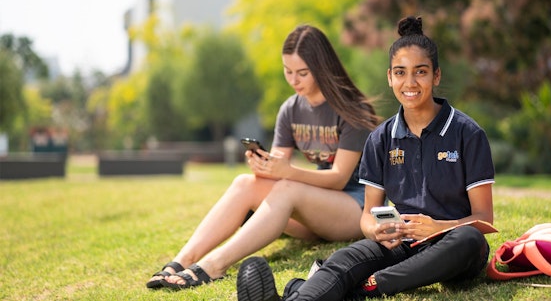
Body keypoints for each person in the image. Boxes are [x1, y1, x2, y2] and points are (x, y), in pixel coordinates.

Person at [236, 15, 495, 301]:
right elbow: (367, 216)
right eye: (400, 72)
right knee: (344, 260)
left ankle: (366, 288)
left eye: (420, 72)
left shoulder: (467, 134)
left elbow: (484, 220)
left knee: (468, 240)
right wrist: (378, 229)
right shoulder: (380, 138)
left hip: (453, 245)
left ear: (436, 76)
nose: (409, 82)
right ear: (389, 77)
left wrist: (438, 227)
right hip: (402, 243)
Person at [146, 24, 380, 290]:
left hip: (354, 209)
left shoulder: (351, 110)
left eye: (302, 73)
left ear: (322, 68)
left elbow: (338, 179)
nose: (294, 80)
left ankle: (213, 265)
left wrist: (286, 172)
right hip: (313, 213)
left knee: (287, 187)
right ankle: (181, 261)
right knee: (244, 183)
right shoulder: (291, 109)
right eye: (288, 71)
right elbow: (276, 171)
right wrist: (264, 166)